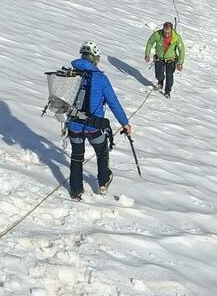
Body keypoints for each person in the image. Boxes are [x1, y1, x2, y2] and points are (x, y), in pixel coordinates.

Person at [68, 41, 131, 200]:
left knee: (77, 157)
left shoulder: (71, 73)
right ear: (95, 59)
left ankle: (76, 191)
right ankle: (103, 181)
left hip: (74, 125)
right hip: (94, 126)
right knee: (102, 151)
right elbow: (113, 102)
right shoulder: (101, 79)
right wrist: (125, 123)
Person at [143, 21, 185, 97]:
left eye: (168, 33)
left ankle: (167, 91)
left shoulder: (176, 38)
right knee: (159, 75)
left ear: (172, 30)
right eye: (165, 32)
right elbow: (150, 43)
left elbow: (181, 50)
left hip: (171, 59)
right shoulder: (157, 34)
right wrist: (147, 54)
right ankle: (160, 81)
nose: (166, 34)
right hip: (159, 58)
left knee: (169, 75)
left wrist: (180, 63)